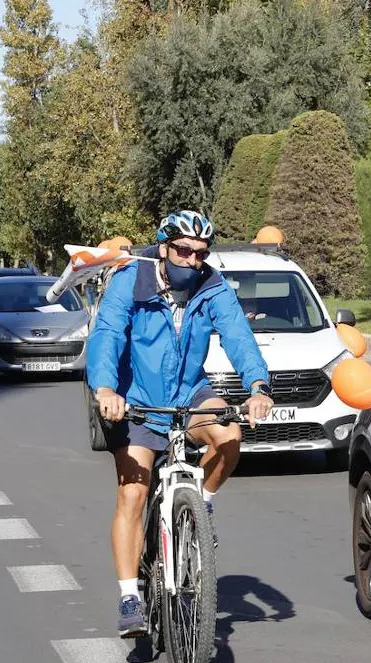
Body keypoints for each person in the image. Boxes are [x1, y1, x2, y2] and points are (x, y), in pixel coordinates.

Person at [87, 210, 274, 638]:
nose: (192, 260)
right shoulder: (131, 280)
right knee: (133, 492)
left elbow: (238, 336)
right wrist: (105, 390)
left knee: (229, 436)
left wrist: (259, 386)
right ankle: (129, 596)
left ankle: (201, 505)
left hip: (189, 394)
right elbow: (108, 334)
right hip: (134, 402)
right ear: (165, 246)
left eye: (201, 253)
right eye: (184, 251)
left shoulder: (212, 287)